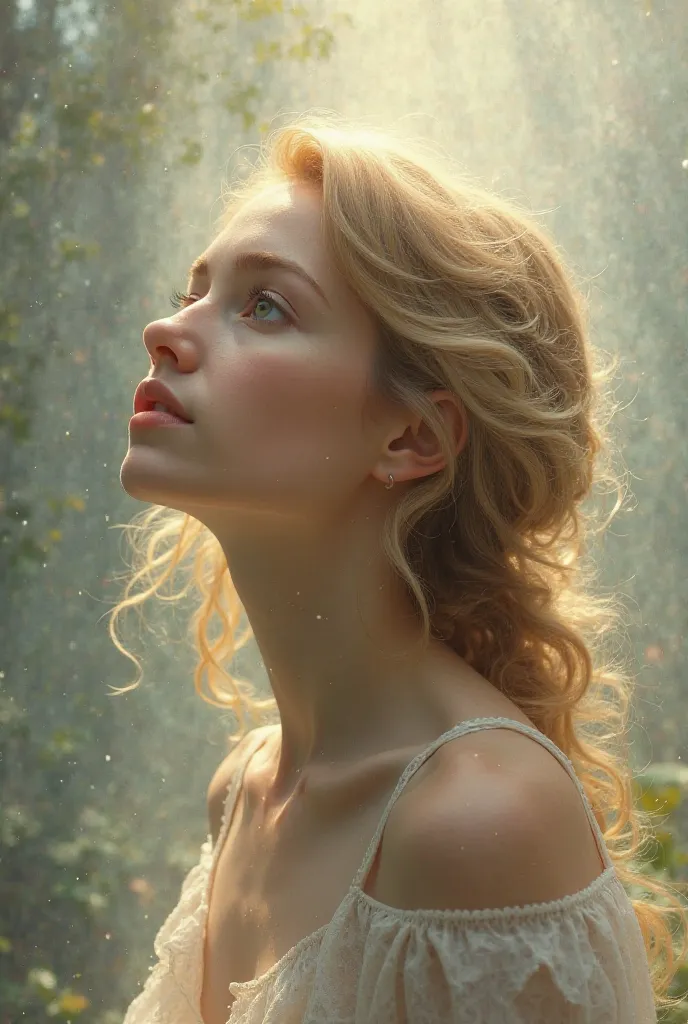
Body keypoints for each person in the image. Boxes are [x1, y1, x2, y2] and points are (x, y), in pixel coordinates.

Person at [112, 114, 686, 1023]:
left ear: (413, 435)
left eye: (266, 306)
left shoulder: (479, 826)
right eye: (193, 291)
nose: (165, 330)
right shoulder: (245, 790)